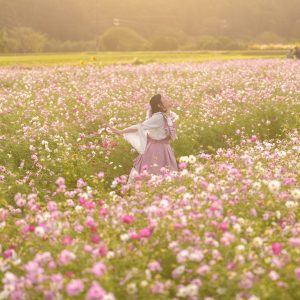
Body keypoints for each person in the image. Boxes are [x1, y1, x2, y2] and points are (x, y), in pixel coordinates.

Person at [108, 94, 179, 184]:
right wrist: (121, 131)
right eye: (164, 98)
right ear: (159, 105)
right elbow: (140, 127)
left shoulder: (170, 115)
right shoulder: (158, 117)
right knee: (154, 173)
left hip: (165, 148)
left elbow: (170, 133)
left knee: (165, 173)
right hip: (156, 150)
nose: (168, 98)